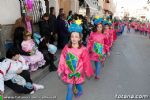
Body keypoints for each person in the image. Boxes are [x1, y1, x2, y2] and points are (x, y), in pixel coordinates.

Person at [57, 20, 94, 100]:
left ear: (80, 38)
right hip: (69, 71)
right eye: (72, 36)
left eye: (76, 37)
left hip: (78, 71)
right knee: (70, 87)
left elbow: (86, 62)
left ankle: (80, 90)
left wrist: (88, 72)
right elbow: (62, 59)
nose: (74, 38)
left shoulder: (83, 49)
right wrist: (60, 70)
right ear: (70, 37)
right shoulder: (67, 47)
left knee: (78, 82)